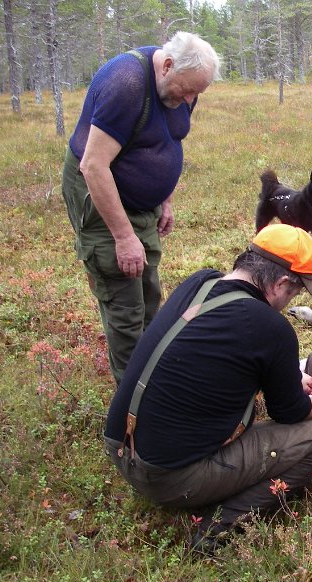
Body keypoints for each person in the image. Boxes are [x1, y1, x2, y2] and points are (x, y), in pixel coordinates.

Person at [103, 224, 312, 553]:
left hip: (119, 446)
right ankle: (219, 526)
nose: (289, 303)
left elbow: (216, 357)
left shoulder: (199, 282)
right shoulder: (271, 327)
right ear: (281, 283)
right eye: (295, 294)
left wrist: (285, 376)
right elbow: (290, 412)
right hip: (167, 479)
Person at [62, 31, 222, 384]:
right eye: (187, 90)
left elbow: (168, 140)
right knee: (125, 301)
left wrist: (164, 198)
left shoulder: (181, 86)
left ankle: (152, 379)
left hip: (140, 203)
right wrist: (122, 236)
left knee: (149, 293)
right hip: (99, 193)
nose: (190, 99)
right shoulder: (126, 84)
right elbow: (93, 166)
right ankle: (131, 400)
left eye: (197, 92)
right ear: (167, 66)